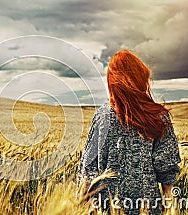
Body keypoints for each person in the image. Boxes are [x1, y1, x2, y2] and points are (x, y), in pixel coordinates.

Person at [77, 50, 181, 214]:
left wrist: (79, 206)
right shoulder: (158, 116)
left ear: (112, 82)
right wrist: (170, 208)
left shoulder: (102, 116)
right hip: (147, 207)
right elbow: (167, 168)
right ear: (141, 79)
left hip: (107, 208)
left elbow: (88, 170)